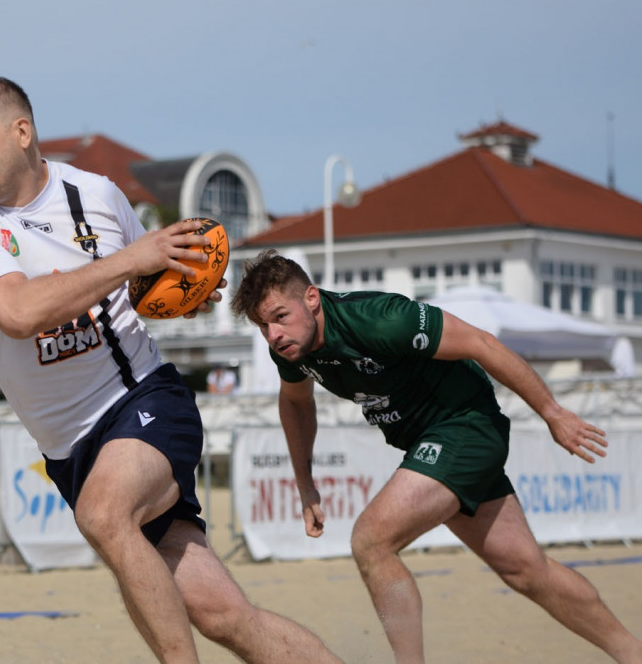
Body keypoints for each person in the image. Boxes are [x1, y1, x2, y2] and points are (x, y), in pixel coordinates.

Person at [0, 77, 341, 664]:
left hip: (141, 400)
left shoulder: (95, 194)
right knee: (224, 615)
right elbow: (19, 314)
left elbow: (155, 281)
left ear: (21, 132)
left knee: (104, 513)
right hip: (70, 451)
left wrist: (190, 285)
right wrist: (136, 259)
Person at [230, 250, 642, 664]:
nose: (273, 334)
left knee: (372, 541)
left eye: (279, 317)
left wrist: (553, 413)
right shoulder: (291, 350)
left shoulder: (380, 318)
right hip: (434, 441)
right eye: (263, 326)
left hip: (466, 425)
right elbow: (297, 404)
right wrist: (306, 485)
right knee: (528, 571)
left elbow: (482, 343)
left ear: (312, 299)